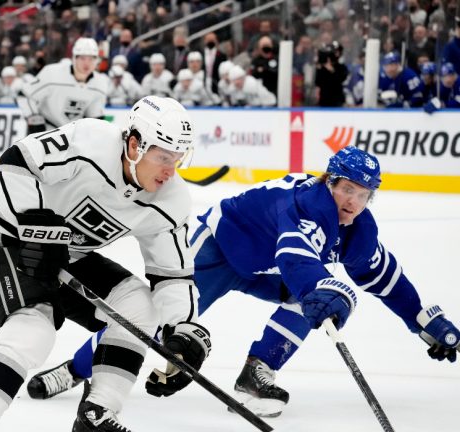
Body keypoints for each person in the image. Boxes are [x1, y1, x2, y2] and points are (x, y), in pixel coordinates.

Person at [26, 146, 460, 419]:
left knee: (308, 302)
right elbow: (295, 256)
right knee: (156, 319)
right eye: (346, 188)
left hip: (267, 267)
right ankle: (76, 368)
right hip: (220, 248)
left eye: (363, 194)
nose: (353, 201)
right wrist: (321, 289)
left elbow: (386, 278)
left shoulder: (358, 228)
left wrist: (423, 319)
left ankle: (258, 372)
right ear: (330, 182)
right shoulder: (308, 206)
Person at [0, 96, 208, 432]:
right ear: (134, 145)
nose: (171, 171)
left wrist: (184, 329)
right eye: (163, 157)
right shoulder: (90, 140)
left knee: (141, 307)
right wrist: (38, 230)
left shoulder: (172, 200)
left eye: (178, 159)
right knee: (34, 327)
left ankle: (96, 414)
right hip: (3, 233)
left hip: (66, 253)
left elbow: (173, 275)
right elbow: (14, 165)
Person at [16, 37, 109, 134]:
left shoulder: (100, 83)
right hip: (45, 131)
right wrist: (34, 119)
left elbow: (94, 115)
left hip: (72, 136)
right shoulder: (52, 73)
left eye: (91, 59)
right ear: (74, 58)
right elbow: (25, 95)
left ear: (97, 60)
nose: (87, 63)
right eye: (82, 58)